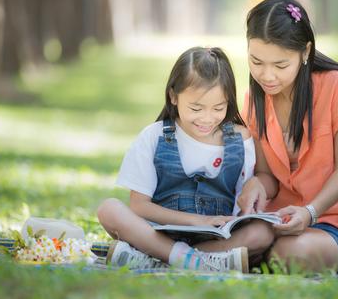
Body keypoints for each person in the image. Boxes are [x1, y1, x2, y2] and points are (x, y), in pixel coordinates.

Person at [97, 47, 275, 273]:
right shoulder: (155, 136)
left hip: (215, 237)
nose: (207, 118)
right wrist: (196, 221)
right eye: (196, 108)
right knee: (109, 209)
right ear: (173, 96)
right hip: (158, 232)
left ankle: (160, 258)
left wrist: (253, 192)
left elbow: (264, 181)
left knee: (263, 233)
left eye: (218, 108)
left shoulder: (241, 139)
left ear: (228, 100)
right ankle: (195, 260)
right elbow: (139, 206)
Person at [238, 0, 338, 274]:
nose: (267, 76)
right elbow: (269, 179)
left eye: (280, 65)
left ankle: (234, 258)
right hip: (281, 221)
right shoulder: (254, 100)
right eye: (256, 62)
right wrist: (255, 185)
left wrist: (310, 212)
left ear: (305, 52)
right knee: (253, 240)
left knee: (291, 254)